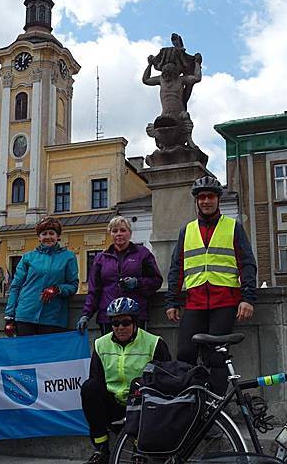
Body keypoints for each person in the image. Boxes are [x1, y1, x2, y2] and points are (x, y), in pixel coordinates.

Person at [165, 176, 257, 395]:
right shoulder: (187, 230)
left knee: (217, 358)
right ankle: (190, 403)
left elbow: (247, 264)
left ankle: (216, 406)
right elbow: (177, 268)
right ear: (196, 201)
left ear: (218, 200)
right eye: (202, 197)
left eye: (211, 197)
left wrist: (248, 299)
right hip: (195, 303)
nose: (206, 201)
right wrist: (172, 301)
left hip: (225, 303)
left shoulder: (233, 227)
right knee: (185, 354)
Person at [80, 297, 171, 464]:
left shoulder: (154, 343)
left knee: (140, 383)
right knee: (89, 387)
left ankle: (139, 450)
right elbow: (96, 379)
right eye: (115, 323)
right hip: (115, 405)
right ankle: (101, 448)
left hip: (144, 408)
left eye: (126, 322)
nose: (120, 327)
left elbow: (165, 382)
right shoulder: (101, 344)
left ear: (135, 322)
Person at [78, 216, 163, 335]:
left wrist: (137, 283)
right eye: (115, 231)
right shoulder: (101, 258)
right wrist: (86, 314)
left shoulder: (142, 254)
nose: (119, 234)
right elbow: (94, 290)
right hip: (108, 316)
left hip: (135, 314)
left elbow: (156, 280)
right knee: (109, 347)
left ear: (130, 233)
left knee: (137, 347)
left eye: (123, 230)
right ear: (110, 234)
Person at [5, 217, 79, 336]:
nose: (48, 237)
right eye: (44, 234)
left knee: (48, 348)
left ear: (58, 236)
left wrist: (57, 289)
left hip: (52, 317)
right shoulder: (28, 257)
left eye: (51, 233)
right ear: (39, 237)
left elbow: (73, 285)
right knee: (25, 348)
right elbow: (16, 286)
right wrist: (9, 316)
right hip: (25, 315)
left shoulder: (68, 257)